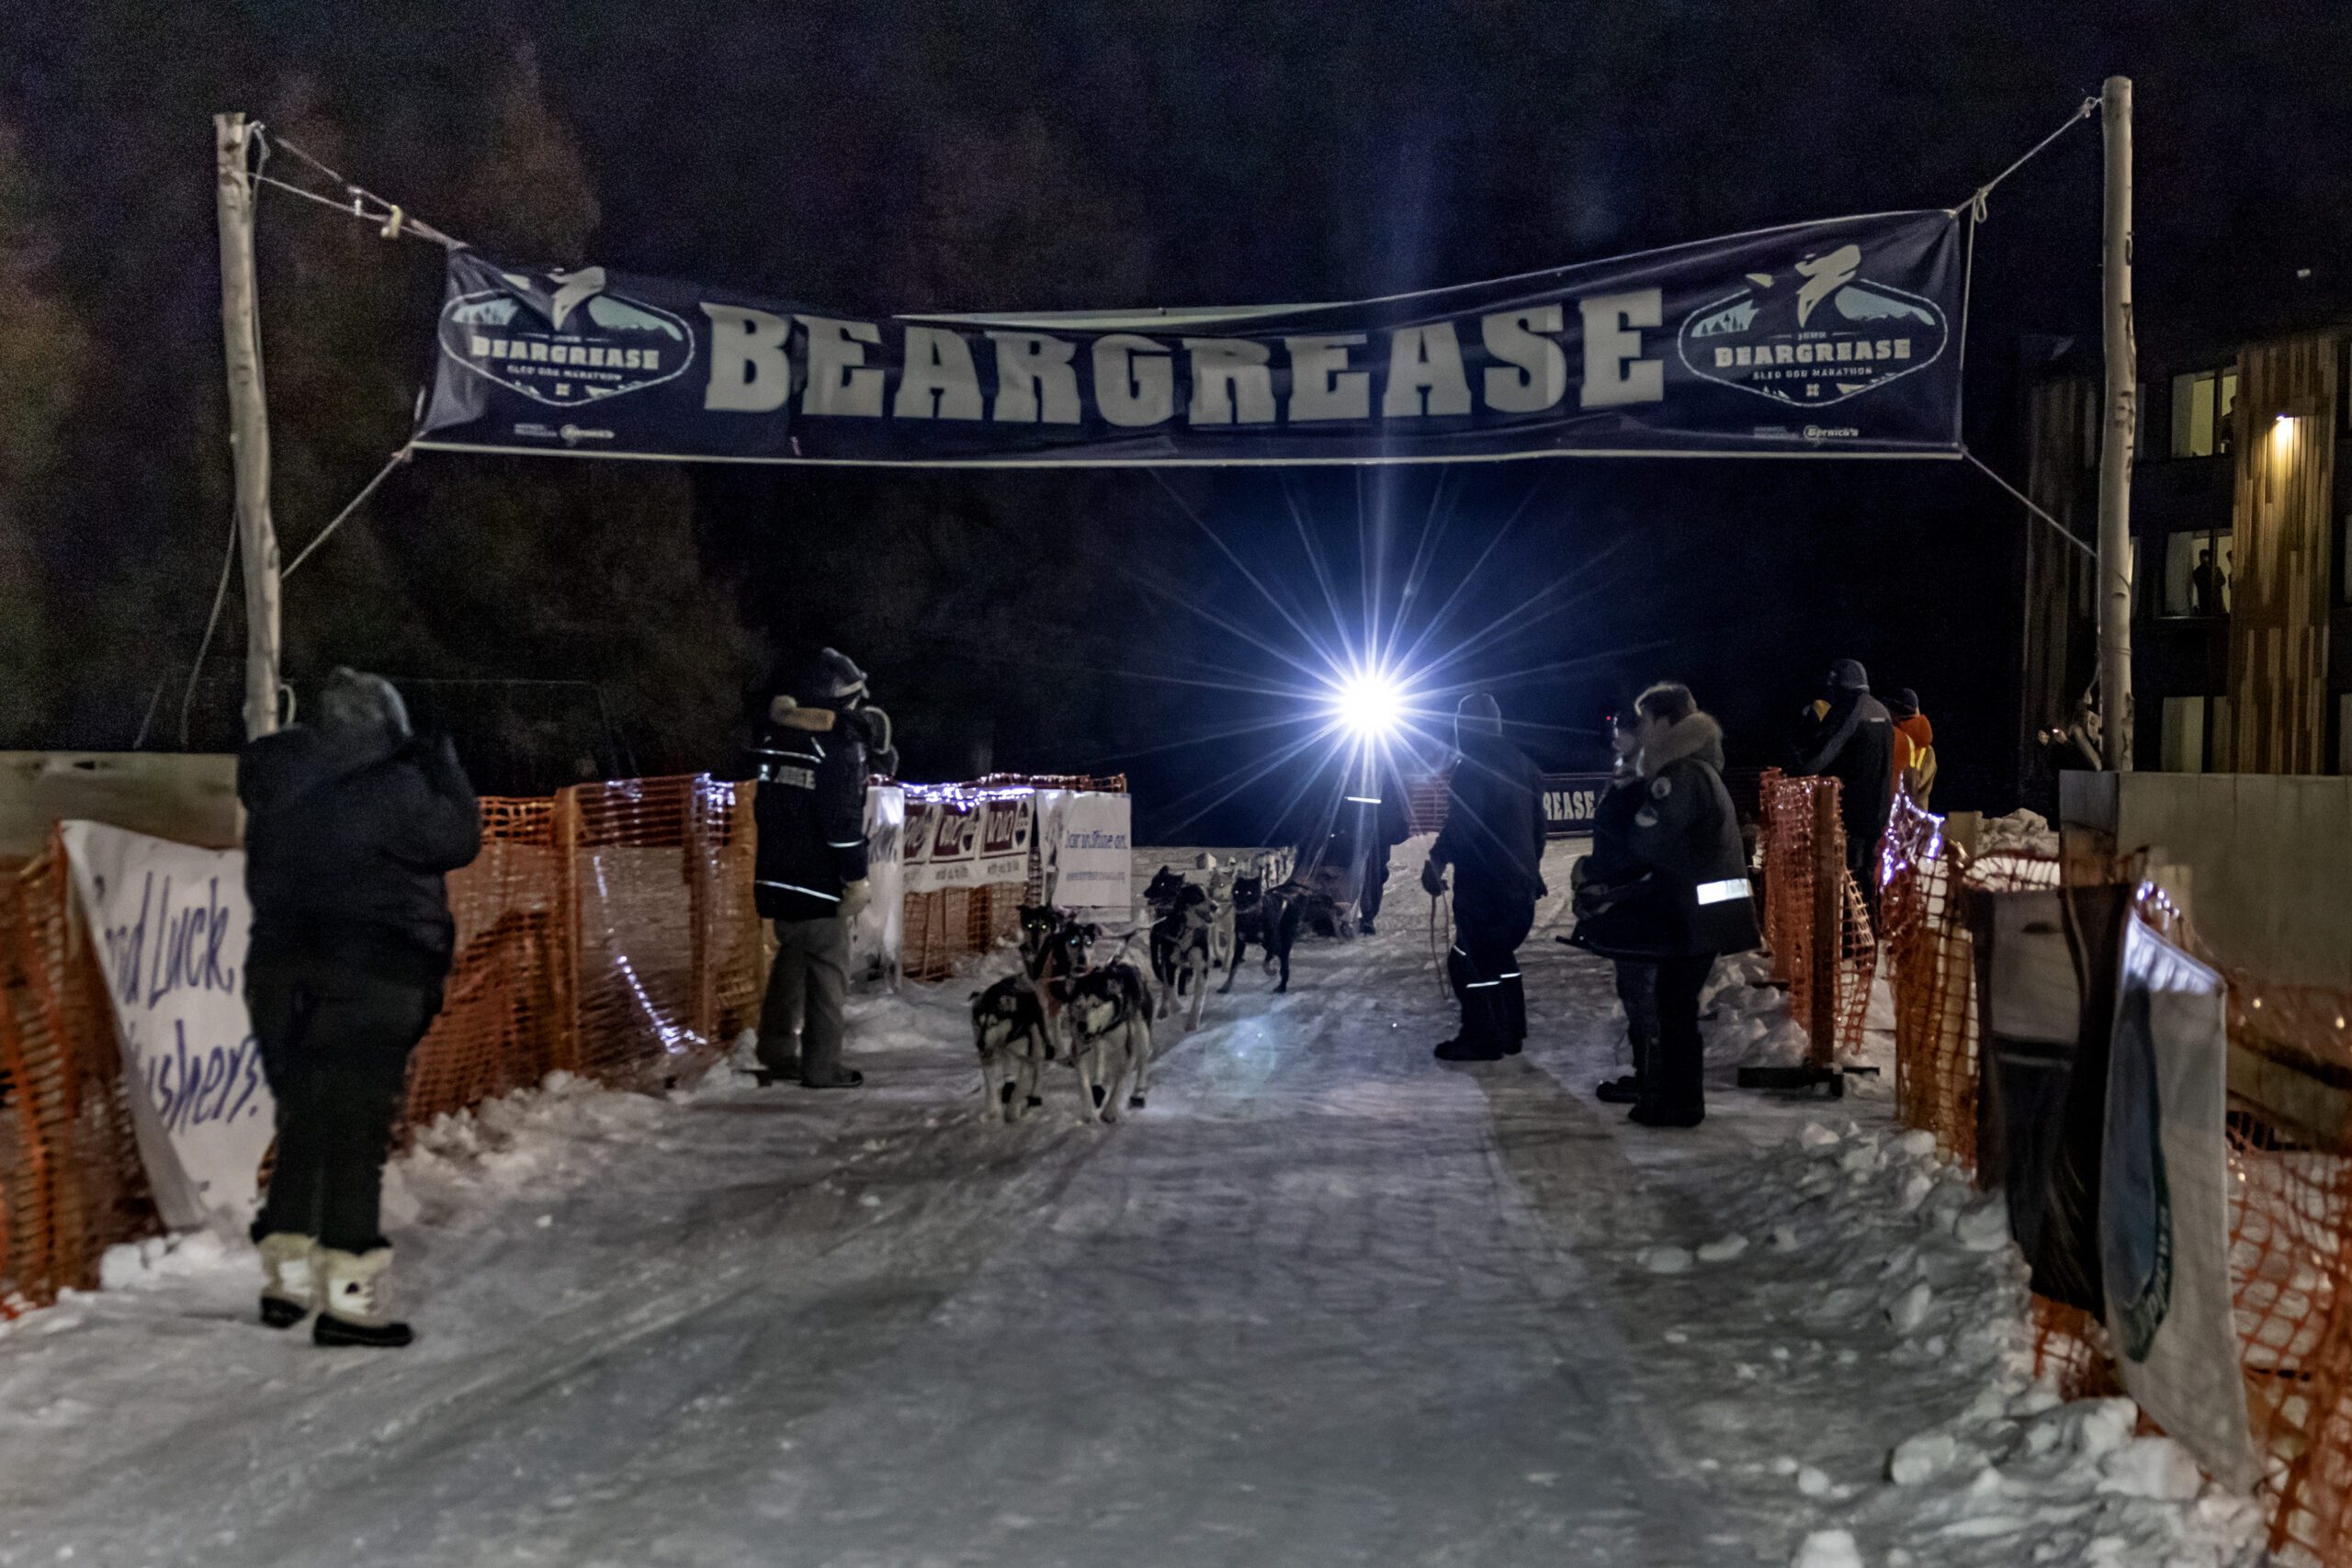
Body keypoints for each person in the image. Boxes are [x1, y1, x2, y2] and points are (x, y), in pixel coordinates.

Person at [240, 669, 481, 1348]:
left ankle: (284, 1282)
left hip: (277, 976)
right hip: (372, 977)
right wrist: (444, 766)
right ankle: (349, 1300)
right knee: (353, 1136)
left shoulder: (278, 780)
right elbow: (460, 839)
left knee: (308, 1116)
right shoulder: (399, 786)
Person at [1618, 681, 1759, 1128]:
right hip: (1707, 914)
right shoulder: (1700, 768)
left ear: (1664, 722)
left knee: (1673, 1009)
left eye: (1644, 722)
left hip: (1695, 916)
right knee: (1676, 1006)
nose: (1640, 731)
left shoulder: (1679, 776)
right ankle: (1676, 1099)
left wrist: (1627, 806)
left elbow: (1646, 839)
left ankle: (1680, 1105)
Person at [746, 648, 874, 1089]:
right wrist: (855, 878)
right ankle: (822, 1066)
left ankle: (776, 1050)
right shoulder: (834, 748)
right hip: (818, 880)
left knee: (792, 957)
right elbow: (841, 822)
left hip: (774, 875)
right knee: (828, 973)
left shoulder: (774, 738)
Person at [1421, 693, 1546, 1062]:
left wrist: (1437, 859)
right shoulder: (1526, 765)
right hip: (1518, 886)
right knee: (1499, 956)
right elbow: (1539, 828)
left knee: (1467, 961)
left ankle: (1482, 1037)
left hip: (1486, 885)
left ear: (1468, 725)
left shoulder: (1473, 766)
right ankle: (1511, 1031)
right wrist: (1532, 870)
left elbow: (1463, 823)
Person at [1565, 707, 1668, 1104]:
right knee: (1634, 990)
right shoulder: (1628, 778)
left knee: (1643, 992)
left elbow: (1641, 850)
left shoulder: (1646, 784)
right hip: (1625, 902)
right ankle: (1648, 1072)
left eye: (1621, 731)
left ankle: (1654, 1079)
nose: (1613, 737)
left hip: (1637, 904)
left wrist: (1604, 884)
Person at [1792, 658, 1895, 886]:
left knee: (1850, 883)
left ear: (1841, 684)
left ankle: (1851, 922)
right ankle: (1872, 920)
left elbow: (1825, 753)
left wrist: (1799, 768)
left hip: (1853, 814)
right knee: (1870, 881)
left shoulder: (1853, 710)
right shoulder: (1882, 711)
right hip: (1879, 811)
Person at [1353, 758, 1413, 935]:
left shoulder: (1390, 764)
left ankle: (1366, 916)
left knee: (1373, 870)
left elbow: (1397, 798)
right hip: (1350, 822)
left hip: (1378, 828)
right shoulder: (1347, 759)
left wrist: (1395, 827)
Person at [1887, 687, 1937, 808]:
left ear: (1894, 715)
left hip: (1892, 818)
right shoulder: (1927, 751)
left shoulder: (1892, 742)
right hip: (1916, 821)